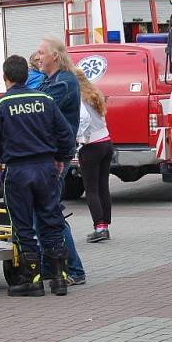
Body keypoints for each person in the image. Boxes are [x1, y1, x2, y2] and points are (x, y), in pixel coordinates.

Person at [0, 54, 75, 297]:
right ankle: (59, 279)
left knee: (23, 225)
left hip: (18, 172)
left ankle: (32, 280)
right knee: (52, 220)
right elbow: (65, 134)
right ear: (28, 74)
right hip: (46, 169)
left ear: (5, 77)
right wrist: (60, 159)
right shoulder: (45, 100)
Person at [35, 36, 86, 284]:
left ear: (55, 55)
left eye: (42, 53)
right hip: (49, 154)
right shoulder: (50, 80)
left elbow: (39, 110)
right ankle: (49, 266)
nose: (38, 57)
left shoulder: (63, 83)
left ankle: (74, 269)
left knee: (51, 212)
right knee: (42, 212)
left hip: (56, 157)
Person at [75, 69, 113, 243]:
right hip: (106, 142)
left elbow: (82, 119)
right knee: (103, 186)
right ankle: (105, 225)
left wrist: (78, 136)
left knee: (91, 189)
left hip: (91, 145)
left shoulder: (78, 97)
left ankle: (99, 228)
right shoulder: (94, 94)